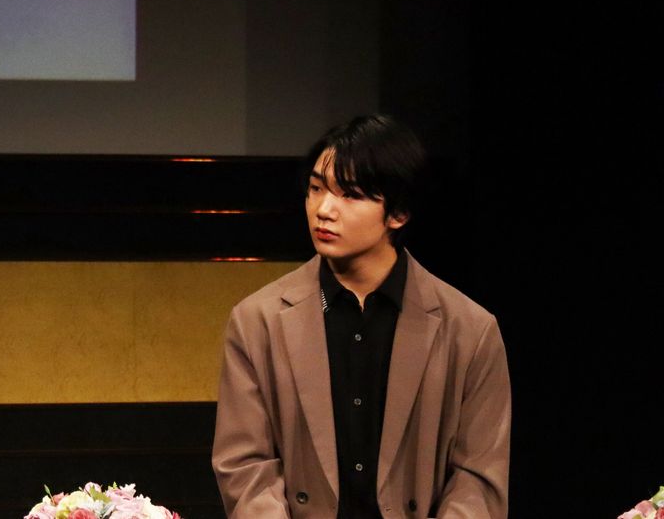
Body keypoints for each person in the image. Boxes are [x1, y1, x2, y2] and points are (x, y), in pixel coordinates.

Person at [212, 115, 510, 518]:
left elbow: (478, 478)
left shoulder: (470, 331)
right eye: (316, 189)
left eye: (350, 195)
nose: (324, 210)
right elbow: (245, 466)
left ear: (398, 213)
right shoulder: (257, 322)